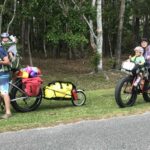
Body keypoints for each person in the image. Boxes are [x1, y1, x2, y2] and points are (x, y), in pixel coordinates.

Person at [0, 37, 12, 119]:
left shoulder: (0, 49)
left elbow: (7, 61)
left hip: (3, 74)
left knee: (4, 92)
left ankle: (8, 112)